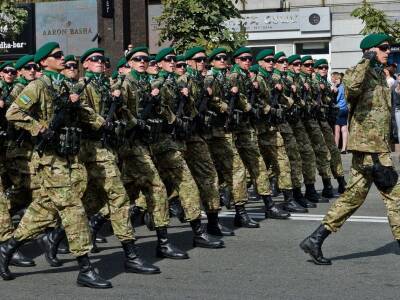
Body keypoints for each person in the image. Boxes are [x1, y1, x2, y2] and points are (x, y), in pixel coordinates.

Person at [0, 42, 112, 288]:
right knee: (73, 208)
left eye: (62, 55)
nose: (63, 59)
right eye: (57, 56)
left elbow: (82, 112)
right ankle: (85, 267)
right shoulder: (38, 86)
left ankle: (7, 247)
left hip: (70, 157)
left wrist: (102, 122)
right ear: (44, 62)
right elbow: (13, 112)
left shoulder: (67, 86)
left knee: (44, 210)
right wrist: (38, 128)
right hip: (50, 161)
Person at [300, 33, 400, 265]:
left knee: (352, 198)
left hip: (373, 145)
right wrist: (366, 59)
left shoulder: (378, 73)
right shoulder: (361, 71)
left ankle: (315, 239)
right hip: (370, 149)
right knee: (396, 196)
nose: (388, 51)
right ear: (370, 50)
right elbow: (350, 86)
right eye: (383, 48)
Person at [332, 72, 349, 153]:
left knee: (337, 130)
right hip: (345, 109)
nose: (332, 79)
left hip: (338, 109)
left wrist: (334, 86)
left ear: (336, 79)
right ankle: (344, 148)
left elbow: (336, 99)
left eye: (333, 78)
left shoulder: (338, 87)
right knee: (344, 129)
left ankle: (336, 147)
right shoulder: (344, 86)